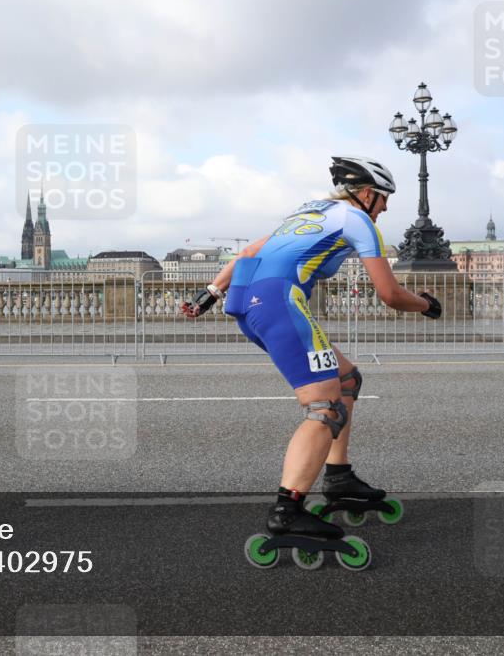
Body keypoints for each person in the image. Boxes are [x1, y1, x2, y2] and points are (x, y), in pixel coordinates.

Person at [183, 155, 441, 549]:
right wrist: (427, 304)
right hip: (279, 302)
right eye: (385, 198)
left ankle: (338, 476)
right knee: (325, 408)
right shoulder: (360, 222)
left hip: (250, 301)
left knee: (346, 379)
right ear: (368, 194)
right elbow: (389, 294)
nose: (386, 207)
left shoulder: (308, 212)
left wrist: (208, 295)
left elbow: (249, 251)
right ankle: (288, 512)